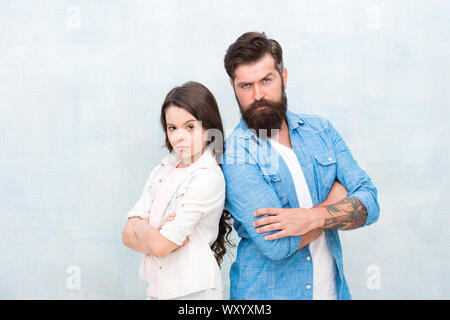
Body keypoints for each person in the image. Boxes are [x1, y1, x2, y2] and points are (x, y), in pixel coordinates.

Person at [222, 32, 380, 300]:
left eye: (266, 80)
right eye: (246, 86)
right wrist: (335, 202)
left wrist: (310, 217)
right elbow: (278, 244)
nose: (258, 95)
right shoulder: (235, 154)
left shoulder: (321, 131)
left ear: (283, 77)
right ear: (233, 86)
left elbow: (371, 203)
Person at [122, 81, 233, 300]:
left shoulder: (207, 176)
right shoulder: (163, 169)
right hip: (157, 290)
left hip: (194, 293)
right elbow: (126, 236)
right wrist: (152, 233)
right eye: (172, 127)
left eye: (190, 127)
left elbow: (161, 246)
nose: (178, 136)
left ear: (209, 127)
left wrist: (142, 226)